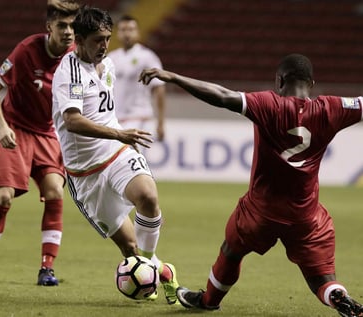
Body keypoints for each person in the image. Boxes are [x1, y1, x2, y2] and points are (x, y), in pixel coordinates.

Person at [139, 54, 363, 316]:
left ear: (279, 80)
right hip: (306, 216)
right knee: (322, 277)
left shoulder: (268, 103)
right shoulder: (333, 108)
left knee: (232, 251)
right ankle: (338, 296)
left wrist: (174, 77)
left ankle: (209, 300)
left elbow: (222, 96)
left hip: (259, 212)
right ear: (311, 83)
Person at [51, 5, 179, 304]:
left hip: (115, 151)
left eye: (107, 38)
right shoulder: (68, 72)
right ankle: (163, 272)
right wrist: (121, 133)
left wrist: (121, 138)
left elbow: (105, 113)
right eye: (98, 39)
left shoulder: (107, 65)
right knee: (131, 248)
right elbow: (73, 121)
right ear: (79, 40)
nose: (105, 45)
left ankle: (146, 268)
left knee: (147, 196)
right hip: (84, 173)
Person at [0, 0, 80, 286]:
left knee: (56, 192)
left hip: (47, 133)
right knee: (4, 196)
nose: (69, 32)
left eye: (72, 26)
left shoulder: (74, 59)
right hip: (15, 129)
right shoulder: (26, 50)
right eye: (62, 26)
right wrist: (2, 126)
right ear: (49, 27)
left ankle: (47, 269)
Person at [107, 15, 166, 142]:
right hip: (115, 118)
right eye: (123, 30)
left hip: (139, 116)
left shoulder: (147, 57)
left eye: (131, 29)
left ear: (138, 32)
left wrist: (160, 122)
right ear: (117, 33)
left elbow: (159, 88)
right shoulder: (111, 57)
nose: (127, 33)